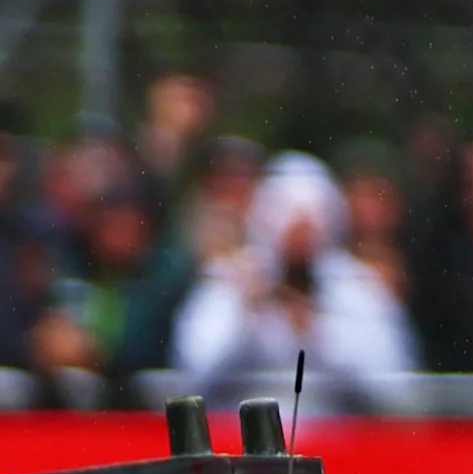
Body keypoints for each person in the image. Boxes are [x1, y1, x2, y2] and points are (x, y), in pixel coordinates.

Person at [171, 151, 419, 412]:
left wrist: (320, 333)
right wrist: (246, 317)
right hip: (239, 441)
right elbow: (192, 375)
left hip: (340, 441)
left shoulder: (358, 288)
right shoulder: (230, 280)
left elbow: (397, 390)